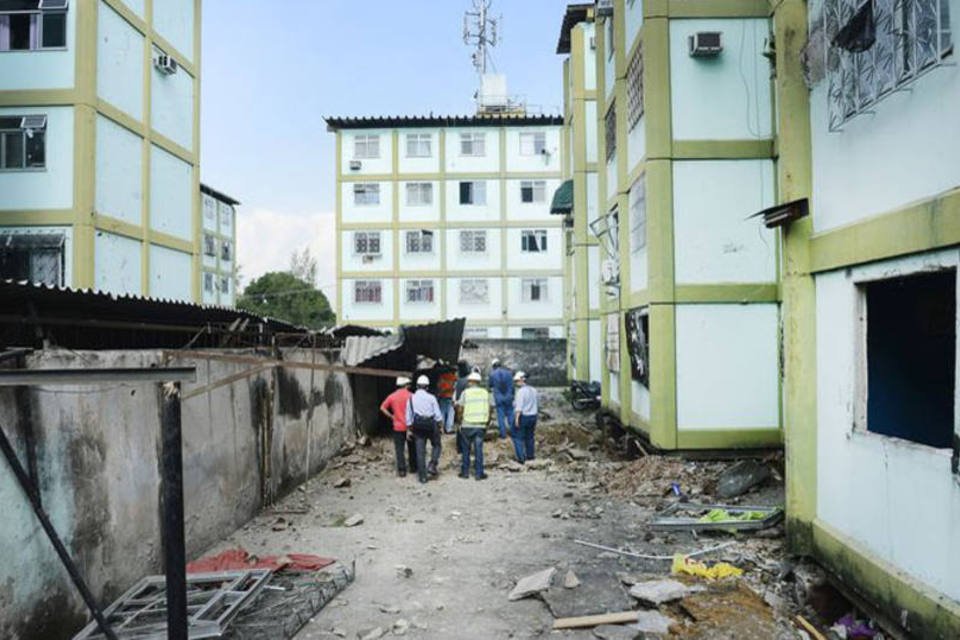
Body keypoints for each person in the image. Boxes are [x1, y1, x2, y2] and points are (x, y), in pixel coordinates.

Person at [405, 375, 443, 483]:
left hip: (418, 426)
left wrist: (409, 429)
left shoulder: (411, 398)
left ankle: (422, 477)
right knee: (437, 445)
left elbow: (408, 417)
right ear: (427, 387)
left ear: (417, 386)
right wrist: (440, 426)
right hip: (431, 424)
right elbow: (438, 415)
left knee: (420, 451)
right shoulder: (431, 398)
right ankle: (432, 464)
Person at [456, 371, 491, 480]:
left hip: (467, 425)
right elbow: (490, 409)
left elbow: (460, 408)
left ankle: (465, 472)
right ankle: (479, 473)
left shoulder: (465, 393)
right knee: (478, 450)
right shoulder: (485, 393)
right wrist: (487, 422)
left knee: (466, 450)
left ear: (470, 381)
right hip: (480, 425)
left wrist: (459, 421)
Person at [380, 376, 415, 477]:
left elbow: (382, 407)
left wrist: (391, 416)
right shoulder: (411, 396)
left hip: (397, 426)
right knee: (412, 448)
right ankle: (413, 467)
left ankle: (402, 470)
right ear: (406, 385)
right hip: (410, 426)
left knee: (399, 449)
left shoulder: (392, 396)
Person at [512, 371, 539, 463]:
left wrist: (516, 419)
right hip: (533, 416)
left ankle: (521, 458)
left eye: (517, 381)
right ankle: (530, 456)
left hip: (524, 416)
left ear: (521, 380)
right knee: (530, 437)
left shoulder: (520, 392)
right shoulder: (533, 390)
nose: (516, 383)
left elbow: (518, 407)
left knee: (518, 437)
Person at [488, 358, 514, 439]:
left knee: (500, 416)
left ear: (493, 366)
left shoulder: (492, 374)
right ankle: (514, 432)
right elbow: (512, 386)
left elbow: (490, 385)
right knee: (510, 414)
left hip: (499, 398)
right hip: (509, 397)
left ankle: (503, 434)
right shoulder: (509, 373)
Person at [437, 366, 457, 434]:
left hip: (442, 396)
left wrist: (439, 393)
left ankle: (441, 429)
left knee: (442, 412)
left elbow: (438, 386)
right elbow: (455, 387)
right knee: (451, 413)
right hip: (450, 397)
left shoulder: (441, 377)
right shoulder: (454, 378)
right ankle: (448, 429)